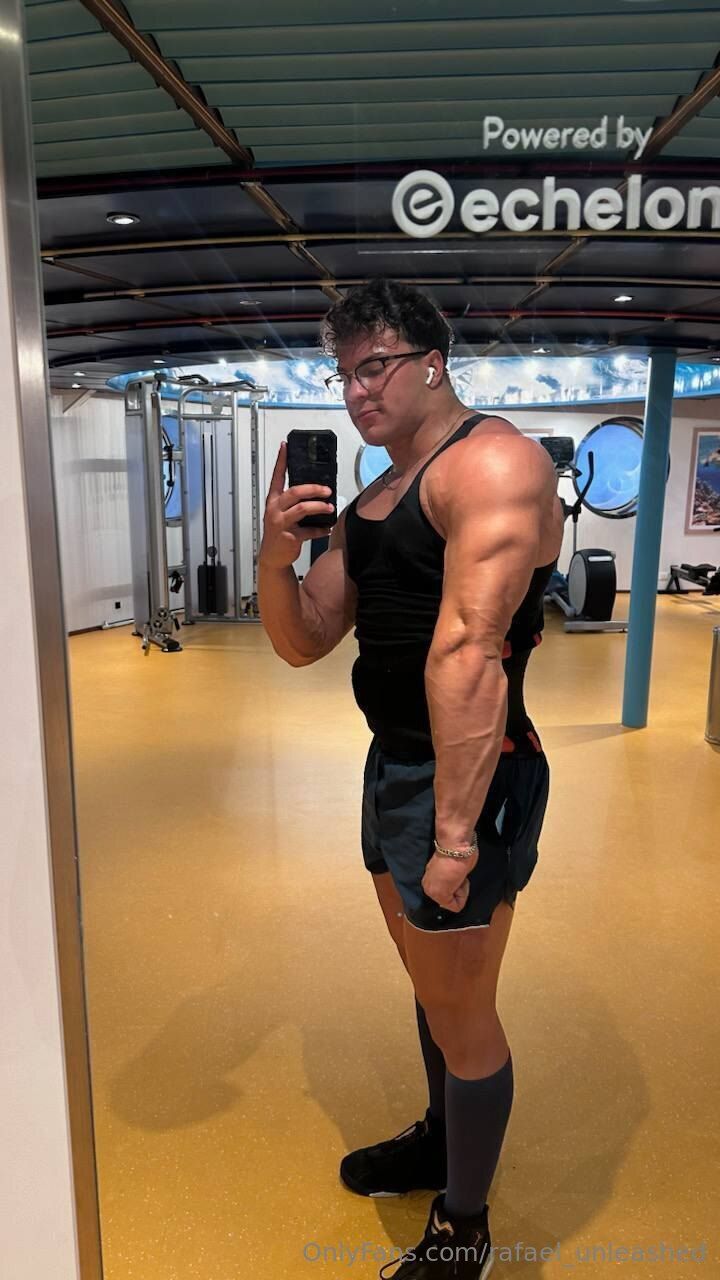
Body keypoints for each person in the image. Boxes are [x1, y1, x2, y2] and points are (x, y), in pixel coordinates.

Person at [258, 279, 564, 1279]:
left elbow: (471, 649)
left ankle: (464, 1231)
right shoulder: (374, 499)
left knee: (463, 1011)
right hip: (392, 765)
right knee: (430, 987)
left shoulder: (493, 464)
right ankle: (441, 1139)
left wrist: (456, 836)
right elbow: (303, 637)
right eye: (344, 374)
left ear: (433, 361)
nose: (357, 390)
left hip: (468, 779)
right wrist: (276, 551)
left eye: (375, 366)